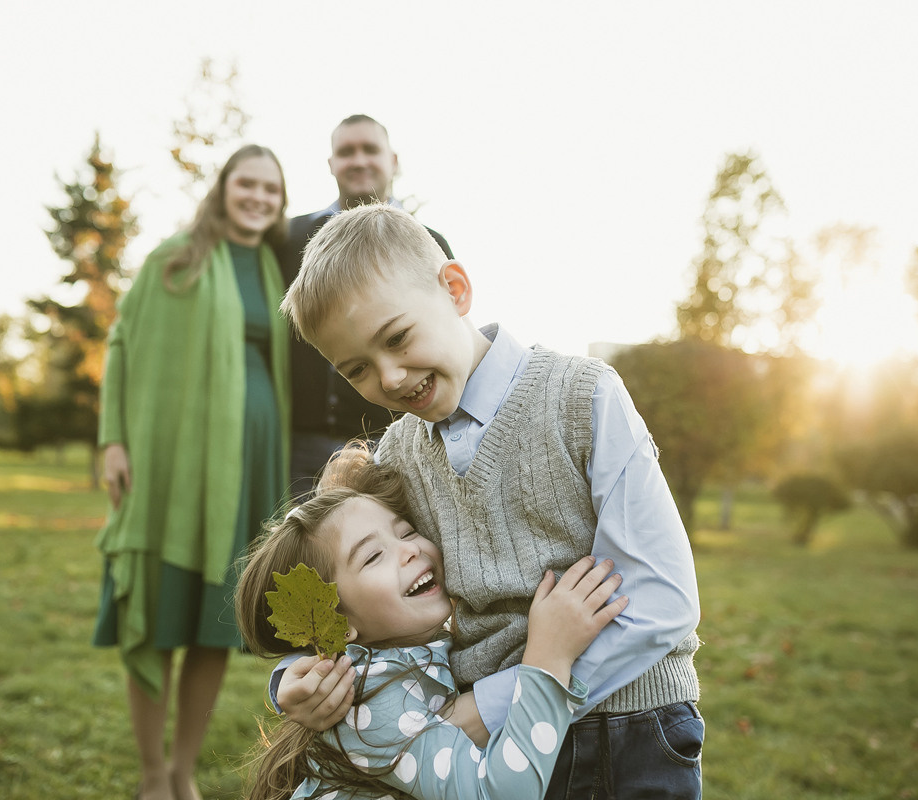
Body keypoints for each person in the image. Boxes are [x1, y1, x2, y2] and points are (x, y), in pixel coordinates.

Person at [276, 204, 704, 799]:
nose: (391, 378)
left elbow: (663, 601)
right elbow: (344, 581)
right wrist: (293, 681)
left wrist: (493, 701)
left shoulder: (582, 397)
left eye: (397, 338)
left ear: (454, 290)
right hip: (496, 760)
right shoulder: (398, 455)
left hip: (624, 729)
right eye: (357, 371)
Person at [235, 445, 629, 800]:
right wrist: (548, 659)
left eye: (406, 531)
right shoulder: (368, 703)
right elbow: (498, 793)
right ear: (336, 622)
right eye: (373, 557)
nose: (409, 549)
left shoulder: (401, 653)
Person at [92, 144, 292, 800]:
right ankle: (152, 775)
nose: (258, 198)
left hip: (245, 470)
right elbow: (121, 344)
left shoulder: (271, 267)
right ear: (224, 188)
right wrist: (113, 440)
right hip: (173, 467)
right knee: (161, 614)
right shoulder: (174, 258)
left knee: (212, 626)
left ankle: (183, 769)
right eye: (247, 185)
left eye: (270, 189)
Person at [276, 114, 454, 498]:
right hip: (302, 446)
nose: (358, 160)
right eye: (346, 152)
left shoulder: (427, 240)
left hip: (395, 440)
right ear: (331, 165)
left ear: (393, 160)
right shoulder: (289, 240)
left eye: (370, 149)